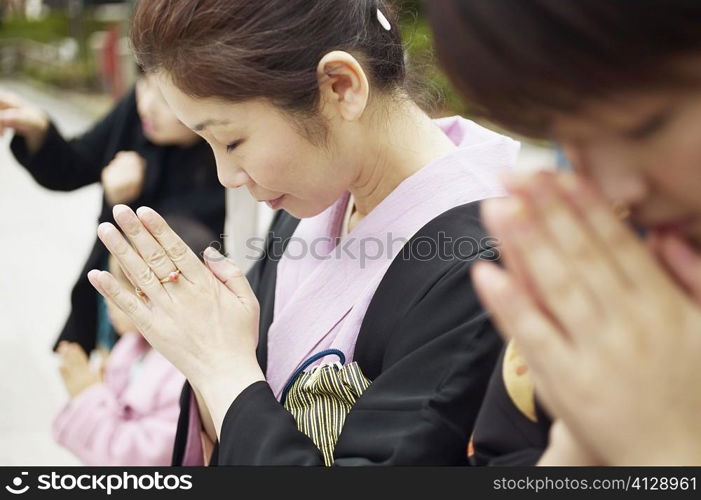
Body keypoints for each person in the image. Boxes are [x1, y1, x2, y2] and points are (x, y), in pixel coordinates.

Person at [86, 0, 522, 466]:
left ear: (340, 87)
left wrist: (219, 368)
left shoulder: (485, 260)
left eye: (232, 141)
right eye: (208, 143)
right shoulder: (314, 195)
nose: (225, 174)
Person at [427, 0, 701, 465]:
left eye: (646, 127)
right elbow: (504, 453)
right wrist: (580, 443)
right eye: (567, 139)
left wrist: (666, 449)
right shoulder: (613, 281)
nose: (618, 189)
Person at [0, 74, 226, 355]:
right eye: (143, 83)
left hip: (158, 336)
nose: (146, 106)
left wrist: (120, 202)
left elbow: (173, 259)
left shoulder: (224, 166)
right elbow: (75, 165)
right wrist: (38, 130)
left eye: (166, 101)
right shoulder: (138, 111)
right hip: (106, 304)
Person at [53, 216, 216, 466]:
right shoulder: (132, 346)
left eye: (122, 284)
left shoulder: (184, 375)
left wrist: (87, 393)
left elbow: (145, 457)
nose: (108, 297)